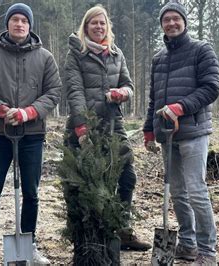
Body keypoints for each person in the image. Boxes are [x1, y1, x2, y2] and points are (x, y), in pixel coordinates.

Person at [0, 3, 61, 264]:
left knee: (31, 192)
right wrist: (0, 109)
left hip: (32, 134)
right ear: (7, 24)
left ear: (30, 26)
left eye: (24, 20)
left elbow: (53, 91)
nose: (19, 24)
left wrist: (29, 112)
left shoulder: (45, 58)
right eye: (15, 20)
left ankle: (29, 243)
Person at [64, 5, 151, 251]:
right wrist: (82, 129)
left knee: (127, 176)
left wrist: (123, 93)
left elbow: (129, 85)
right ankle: (87, 237)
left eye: (103, 23)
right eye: (94, 23)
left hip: (114, 125)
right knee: (89, 183)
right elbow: (75, 92)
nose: (99, 27)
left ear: (107, 27)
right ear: (86, 27)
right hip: (85, 128)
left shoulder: (116, 53)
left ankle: (123, 231)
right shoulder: (76, 54)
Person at [143, 1, 219, 265]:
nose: (172, 23)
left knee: (196, 190)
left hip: (194, 131)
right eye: (167, 20)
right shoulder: (159, 58)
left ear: (184, 22)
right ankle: (187, 244)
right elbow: (154, 98)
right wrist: (148, 130)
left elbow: (211, 88)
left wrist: (180, 107)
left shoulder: (201, 50)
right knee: (177, 192)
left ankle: (207, 250)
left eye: (176, 18)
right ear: (162, 24)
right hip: (167, 134)